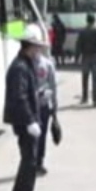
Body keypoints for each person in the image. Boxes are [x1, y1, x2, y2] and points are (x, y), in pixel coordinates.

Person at [3, 24, 49, 191]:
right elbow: (19, 97)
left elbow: (26, 92)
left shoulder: (24, 63)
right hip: (24, 121)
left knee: (26, 159)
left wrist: (38, 94)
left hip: (25, 118)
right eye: (37, 47)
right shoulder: (20, 67)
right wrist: (30, 121)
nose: (39, 50)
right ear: (29, 46)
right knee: (30, 161)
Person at [34, 41, 58, 175]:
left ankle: (38, 162)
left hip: (42, 106)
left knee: (41, 136)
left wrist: (54, 107)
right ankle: (35, 162)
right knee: (36, 136)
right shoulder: (25, 64)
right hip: (35, 106)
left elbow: (53, 86)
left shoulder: (47, 64)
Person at [75, 13, 96, 105]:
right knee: (95, 79)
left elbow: (78, 45)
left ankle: (85, 98)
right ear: (94, 20)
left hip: (85, 56)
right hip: (95, 56)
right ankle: (95, 99)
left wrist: (77, 57)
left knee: (85, 78)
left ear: (86, 20)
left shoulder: (82, 31)